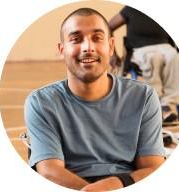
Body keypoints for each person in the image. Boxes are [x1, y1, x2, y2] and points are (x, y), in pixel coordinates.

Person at [24, 8, 165, 191]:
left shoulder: (144, 97)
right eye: (76, 39)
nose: (88, 47)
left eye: (97, 38)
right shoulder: (41, 102)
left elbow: (152, 167)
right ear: (62, 50)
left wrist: (118, 183)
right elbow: (49, 171)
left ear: (111, 46)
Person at [109, 5, 179, 122]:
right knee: (153, 58)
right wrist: (112, 54)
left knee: (173, 56)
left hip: (165, 46)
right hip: (140, 48)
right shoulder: (131, 9)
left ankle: (168, 104)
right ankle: (156, 105)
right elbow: (108, 26)